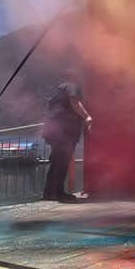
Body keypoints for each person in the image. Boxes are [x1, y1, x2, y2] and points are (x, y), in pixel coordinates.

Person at [41, 71, 92, 202]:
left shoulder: (60, 89)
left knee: (57, 162)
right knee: (61, 162)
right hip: (63, 131)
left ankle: (51, 192)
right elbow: (74, 102)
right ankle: (57, 193)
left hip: (56, 130)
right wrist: (87, 116)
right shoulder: (71, 86)